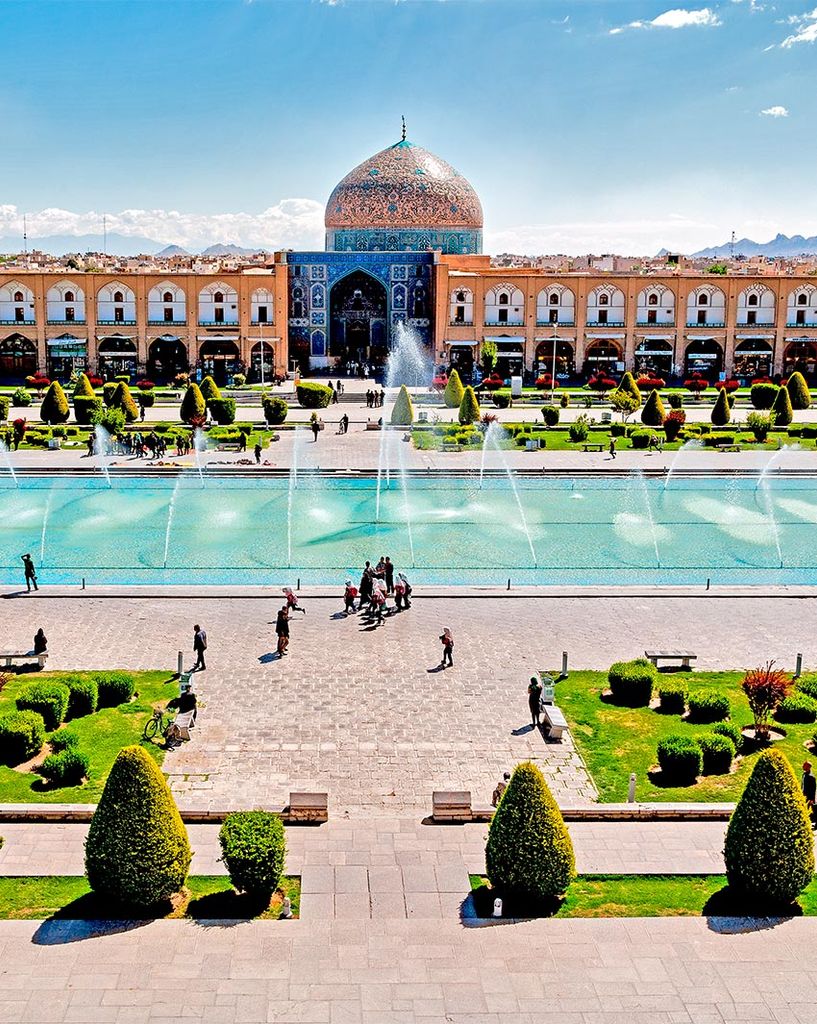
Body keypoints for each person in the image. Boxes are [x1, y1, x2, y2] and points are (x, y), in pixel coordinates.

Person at [803, 761, 817, 827]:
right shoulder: (804, 774)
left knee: (812, 809)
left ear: (808, 767)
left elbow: (813, 789)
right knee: (806, 808)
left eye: (804, 765)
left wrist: (812, 799)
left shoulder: (811, 777)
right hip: (803, 794)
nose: (802, 766)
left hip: (809, 796)